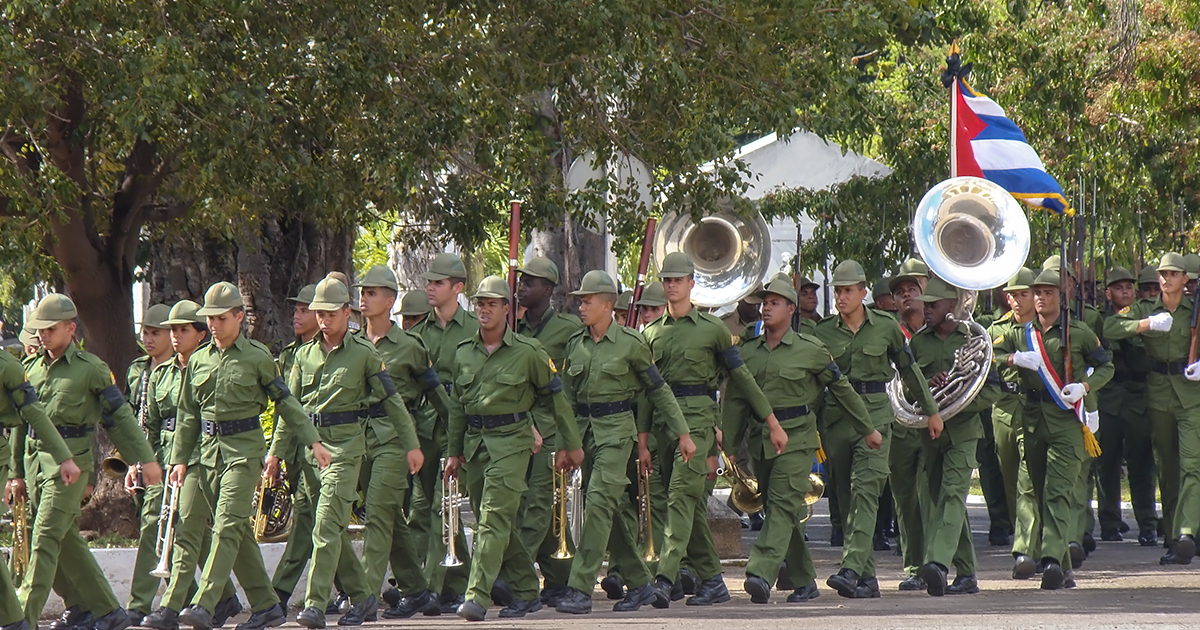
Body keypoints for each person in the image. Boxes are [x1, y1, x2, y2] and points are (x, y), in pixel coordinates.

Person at [167, 281, 332, 630]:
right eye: (210, 318)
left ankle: (204, 603)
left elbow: (286, 402)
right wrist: (179, 459)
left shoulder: (257, 357)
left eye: (222, 318)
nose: (213, 325)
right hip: (207, 454)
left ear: (240, 317)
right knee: (225, 529)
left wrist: (313, 440)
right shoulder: (197, 360)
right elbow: (186, 415)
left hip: (243, 453)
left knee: (227, 527)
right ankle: (267, 605)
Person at [268, 277, 421, 627]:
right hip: (310, 453)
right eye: (319, 313)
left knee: (324, 526)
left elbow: (393, 403)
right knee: (333, 529)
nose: (324, 320)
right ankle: (364, 598)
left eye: (331, 314)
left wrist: (411, 444)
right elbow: (289, 411)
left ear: (346, 313)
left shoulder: (364, 354)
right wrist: (276, 455)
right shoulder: (303, 356)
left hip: (345, 450)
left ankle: (316, 604)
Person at [13, 294, 160, 629]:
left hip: (72, 467)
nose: (44, 335)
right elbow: (22, 425)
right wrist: (15, 474)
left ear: (71, 328)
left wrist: (144, 460)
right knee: (66, 540)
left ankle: (21, 617)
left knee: (46, 536)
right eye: (40, 330)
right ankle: (105, 610)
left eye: (51, 329)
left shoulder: (91, 370)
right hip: (36, 462)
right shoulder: (30, 368)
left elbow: (119, 419)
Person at [643, 252, 782, 607]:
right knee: (684, 506)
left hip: (698, 424)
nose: (671, 286)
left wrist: (771, 420)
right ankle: (713, 581)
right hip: (662, 427)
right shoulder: (651, 334)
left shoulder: (713, 330)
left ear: (692, 283)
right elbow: (646, 392)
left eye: (677, 280)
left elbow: (742, 381)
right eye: (667, 280)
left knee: (679, 498)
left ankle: (664, 577)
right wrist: (642, 440)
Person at [443, 276, 583, 621]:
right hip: (476, 447)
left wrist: (571, 444)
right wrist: (453, 451)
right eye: (480, 304)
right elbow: (458, 408)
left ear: (508, 309)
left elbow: (556, 400)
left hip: (512, 443)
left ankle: (476, 596)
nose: (484, 310)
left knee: (492, 518)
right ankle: (525, 589)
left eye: (492, 304)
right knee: (494, 520)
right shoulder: (464, 353)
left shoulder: (528, 352)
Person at [554, 270, 696, 614]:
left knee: (600, 504)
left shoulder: (632, 343)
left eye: (587, 301)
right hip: (585, 434)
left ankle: (579, 588)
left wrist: (683, 433)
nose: (581, 307)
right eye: (580, 302)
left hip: (617, 433)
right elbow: (566, 402)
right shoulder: (576, 344)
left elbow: (658, 391)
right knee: (612, 512)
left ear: (607, 305)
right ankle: (642, 585)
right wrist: (564, 443)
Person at [730, 276, 870, 604]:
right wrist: (728, 447)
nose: (766, 307)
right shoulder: (748, 351)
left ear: (791, 309)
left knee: (780, 506)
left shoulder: (811, 350)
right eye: (765, 302)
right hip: (761, 442)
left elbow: (842, 389)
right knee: (785, 511)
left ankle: (760, 571)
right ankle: (805, 581)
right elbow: (736, 401)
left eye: (774, 302)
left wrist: (868, 429)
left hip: (798, 439)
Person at [814, 260, 941, 599]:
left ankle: (851, 567)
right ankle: (868, 580)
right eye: (837, 291)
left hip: (875, 417)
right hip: (837, 420)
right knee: (846, 495)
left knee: (867, 490)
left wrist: (931, 411)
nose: (841, 297)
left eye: (847, 291)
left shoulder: (885, 327)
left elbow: (910, 370)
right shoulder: (821, 332)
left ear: (862, 292)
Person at [994, 268, 1113, 589]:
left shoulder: (1080, 332)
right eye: (1037, 292)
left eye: (1048, 292)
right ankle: (1037, 557)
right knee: (1030, 486)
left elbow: (1106, 364)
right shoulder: (1020, 334)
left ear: (1062, 297)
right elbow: (990, 352)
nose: (1041, 298)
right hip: (1030, 415)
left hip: (1065, 420)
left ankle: (1049, 559)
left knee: (1058, 490)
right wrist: (1013, 360)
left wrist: (1085, 388)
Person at [354, 265, 451, 618]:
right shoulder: (353, 344)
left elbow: (439, 400)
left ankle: (363, 598)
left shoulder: (410, 346)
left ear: (391, 300)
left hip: (396, 437)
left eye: (372, 293)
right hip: (359, 439)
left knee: (378, 517)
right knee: (390, 517)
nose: (364, 299)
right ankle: (417, 590)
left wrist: (456, 444)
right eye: (362, 293)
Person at [142, 301, 242, 630]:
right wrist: (159, 459)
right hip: (183, 460)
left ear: (200, 335)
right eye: (172, 329)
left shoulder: (210, 364)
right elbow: (159, 423)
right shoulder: (160, 374)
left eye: (183, 329)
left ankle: (255, 600)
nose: (174, 336)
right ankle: (193, 603)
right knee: (188, 531)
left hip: (216, 455)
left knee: (224, 532)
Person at [1106, 252, 1200, 565]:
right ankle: (1175, 539)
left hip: (1190, 393)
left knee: (1191, 465)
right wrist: (1146, 324)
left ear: (1185, 280)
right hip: (1158, 392)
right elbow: (1109, 328)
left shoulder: (1195, 310)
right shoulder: (1146, 308)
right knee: (1168, 468)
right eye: (1162, 274)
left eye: (1173, 274)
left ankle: (1187, 531)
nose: (1165, 279)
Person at [911, 277, 997, 596]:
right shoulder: (919, 342)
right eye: (926, 305)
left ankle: (938, 563)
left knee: (952, 494)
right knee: (939, 498)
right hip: (930, 433)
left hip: (963, 430)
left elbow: (993, 390)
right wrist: (928, 389)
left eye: (933, 305)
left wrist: (961, 400)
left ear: (951, 307)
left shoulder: (975, 338)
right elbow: (905, 385)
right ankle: (968, 573)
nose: (927, 310)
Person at [509, 257, 584, 608]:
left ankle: (511, 574)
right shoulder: (513, 329)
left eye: (530, 282)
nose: (522, 286)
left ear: (548, 290)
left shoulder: (568, 329)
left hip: (553, 426)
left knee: (539, 506)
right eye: (521, 280)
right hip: (518, 426)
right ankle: (559, 578)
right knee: (531, 506)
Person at [0, 329, 82, 630]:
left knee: (44, 535)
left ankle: (15, 618)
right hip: (24, 462)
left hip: (12, 456)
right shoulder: (20, 366)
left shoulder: (8, 367)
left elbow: (32, 415)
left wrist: (65, 458)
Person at [410, 253, 477, 614]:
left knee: (440, 505)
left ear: (458, 288)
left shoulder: (475, 330)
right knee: (422, 509)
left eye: (437, 283)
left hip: (460, 423)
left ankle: (430, 588)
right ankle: (457, 581)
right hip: (425, 425)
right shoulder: (419, 334)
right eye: (429, 282)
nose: (430, 288)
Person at [270, 285, 326, 611]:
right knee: (314, 521)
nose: (297, 314)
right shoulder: (290, 356)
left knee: (310, 520)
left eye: (304, 309)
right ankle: (354, 589)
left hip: (322, 449)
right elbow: (284, 412)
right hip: (293, 453)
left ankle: (278, 592)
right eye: (296, 309)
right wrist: (276, 454)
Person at [987, 268, 1045, 579]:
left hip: (1037, 408)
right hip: (1005, 408)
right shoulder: (998, 328)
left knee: (1029, 482)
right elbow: (986, 356)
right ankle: (1027, 541)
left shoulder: (1044, 328)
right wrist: (1011, 359)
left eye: (1024, 294)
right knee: (1011, 480)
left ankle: (1027, 549)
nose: (1018, 300)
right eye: (1014, 294)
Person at [1095, 267, 1158, 546]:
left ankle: (1147, 523)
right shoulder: (1102, 320)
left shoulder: (1145, 317)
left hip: (1137, 396)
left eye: (1129, 287)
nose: (1126, 292)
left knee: (1141, 463)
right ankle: (1109, 521)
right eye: (1119, 288)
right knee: (1106, 463)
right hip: (1108, 396)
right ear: (1108, 293)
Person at [125, 304, 175, 625]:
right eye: (145, 332)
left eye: (155, 333)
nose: (148, 338)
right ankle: (214, 596)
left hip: (170, 453)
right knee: (179, 531)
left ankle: (139, 603)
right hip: (142, 454)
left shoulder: (182, 367)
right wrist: (132, 460)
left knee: (153, 524)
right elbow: (129, 417)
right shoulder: (137, 370)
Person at [886, 260, 932, 590]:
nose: (906, 297)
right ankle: (914, 566)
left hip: (933, 424)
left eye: (912, 289)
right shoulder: (888, 331)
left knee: (934, 496)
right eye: (899, 293)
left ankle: (942, 563)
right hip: (900, 425)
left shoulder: (941, 329)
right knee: (905, 499)